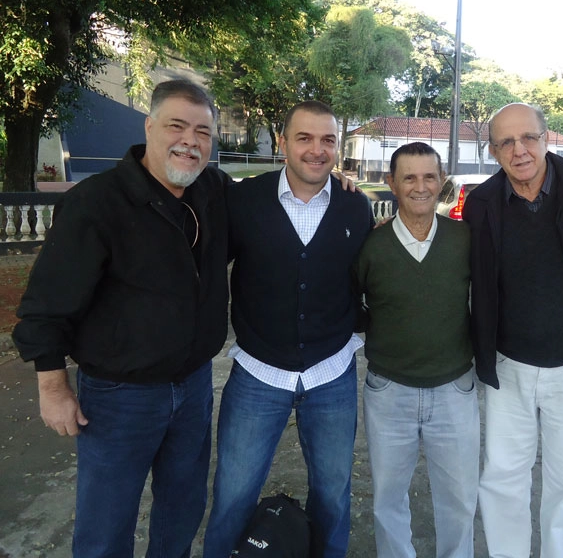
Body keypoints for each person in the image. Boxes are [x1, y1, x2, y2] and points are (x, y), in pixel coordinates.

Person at [12, 78, 229, 557]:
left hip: (192, 388)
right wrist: (53, 389)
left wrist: (331, 182)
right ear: (149, 127)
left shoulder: (211, 190)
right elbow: (45, 305)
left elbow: (271, 201)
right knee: (106, 523)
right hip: (118, 398)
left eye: (203, 132)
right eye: (177, 126)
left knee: (182, 508)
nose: (190, 142)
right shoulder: (97, 202)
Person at [202, 100, 373, 558]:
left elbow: (365, 282)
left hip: (331, 374)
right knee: (233, 496)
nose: (316, 150)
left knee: (334, 497)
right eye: (304, 138)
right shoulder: (243, 200)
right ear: (282, 142)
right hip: (259, 373)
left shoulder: (355, 208)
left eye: (327, 140)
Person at [462, 103, 563, 557]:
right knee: (502, 478)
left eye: (528, 138)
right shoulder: (482, 203)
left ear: (546, 137)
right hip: (507, 368)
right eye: (506, 143)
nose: (520, 150)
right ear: (493, 151)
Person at [354, 142, 479, 557]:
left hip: (454, 388)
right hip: (389, 390)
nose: (420, 186)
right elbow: (353, 305)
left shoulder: (465, 240)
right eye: (409, 177)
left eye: (429, 176)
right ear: (392, 183)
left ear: (441, 180)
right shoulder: (371, 246)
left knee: (459, 500)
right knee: (388, 498)